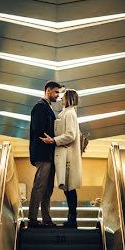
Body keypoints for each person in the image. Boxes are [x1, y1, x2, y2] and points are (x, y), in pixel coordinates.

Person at [41, 88, 82, 229]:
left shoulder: (69, 114)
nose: (61, 99)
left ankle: (72, 219)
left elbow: (70, 135)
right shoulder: (68, 113)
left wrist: (54, 140)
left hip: (68, 157)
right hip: (65, 155)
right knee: (68, 189)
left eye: (63, 97)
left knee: (70, 189)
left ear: (69, 99)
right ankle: (72, 219)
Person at [28, 81, 61, 227]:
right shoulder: (40, 107)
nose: (58, 95)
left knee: (48, 188)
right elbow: (38, 129)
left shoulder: (48, 107)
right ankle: (33, 219)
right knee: (40, 186)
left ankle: (46, 218)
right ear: (48, 90)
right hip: (42, 154)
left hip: (49, 154)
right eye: (56, 92)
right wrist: (50, 140)